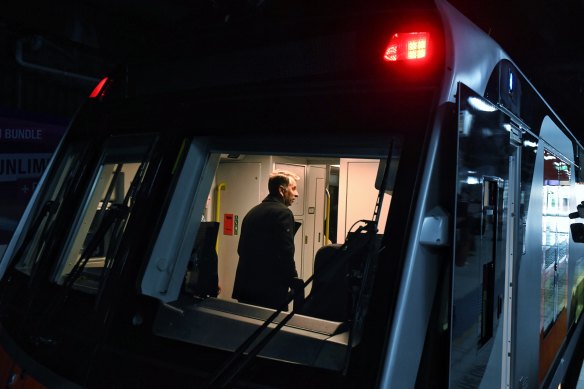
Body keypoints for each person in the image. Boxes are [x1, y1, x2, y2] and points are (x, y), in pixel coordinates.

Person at [232, 170, 300, 309]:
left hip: (245, 287)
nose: (296, 194)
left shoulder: (253, 212)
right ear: (282, 190)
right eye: (293, 188)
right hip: (269, 292)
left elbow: (241, 249)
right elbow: (286, 252)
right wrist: (294, 281)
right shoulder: (284, 213)